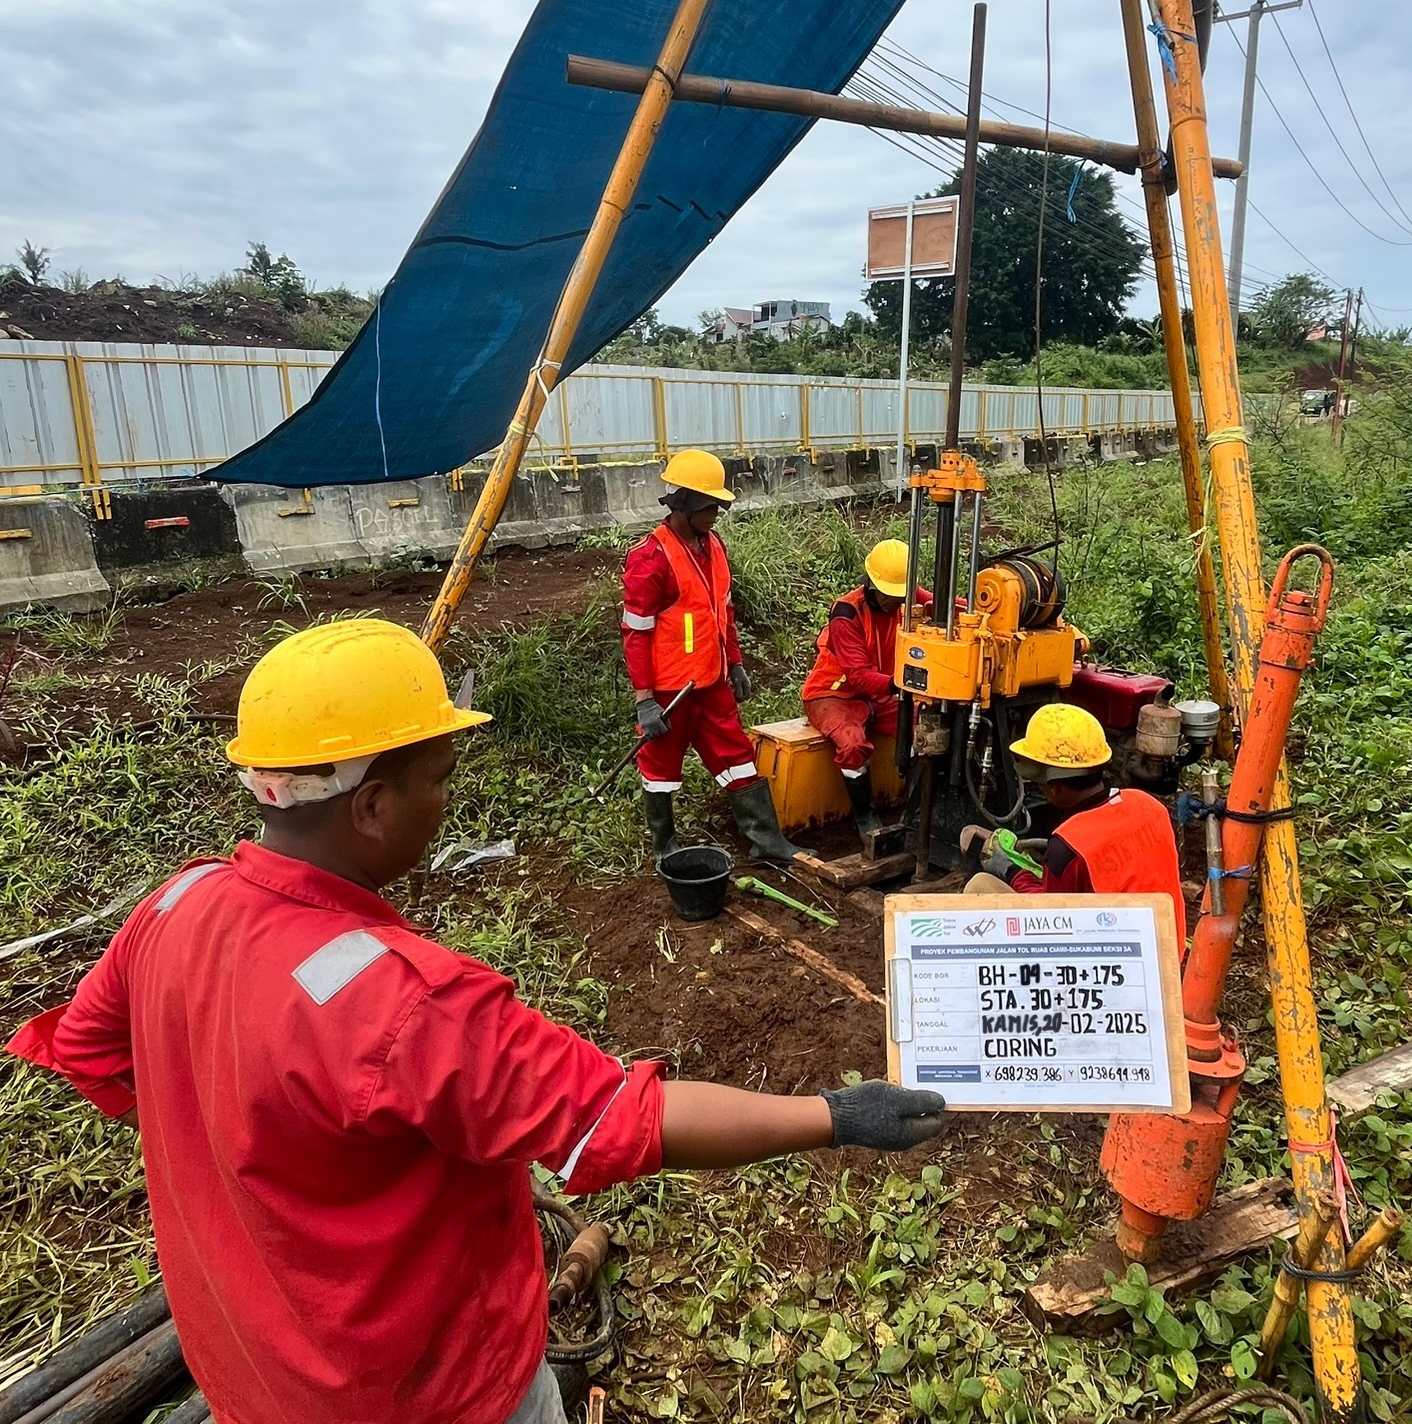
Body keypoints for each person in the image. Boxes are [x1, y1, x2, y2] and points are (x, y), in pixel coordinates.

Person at [7, 619, 947, 1424]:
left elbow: (91, 1051)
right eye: (441, 777)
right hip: (425, 1392)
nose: (449, 799)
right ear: (373, 805)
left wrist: (252, 1141)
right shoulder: (409, 1006)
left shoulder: (176, 904)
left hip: (249, 1371)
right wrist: (836, 1113)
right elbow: (623, 1122)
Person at [620, 448, 800, 867]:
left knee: (737, 757)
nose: (716, 513)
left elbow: (724, 611)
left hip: (713, 682)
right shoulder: (651, 558)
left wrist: (734, 662)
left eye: (718, 505)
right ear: (681, 503)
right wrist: (645, 700)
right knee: (660, 766)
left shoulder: (714, 545)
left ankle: (766, 841)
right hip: (671, 691)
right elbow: (636, 634)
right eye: (708, 505)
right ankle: (665, 847)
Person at [960, 701, 1187, 953]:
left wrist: (1011, 870)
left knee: (980, 886)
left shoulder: (1067, 848)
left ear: (1054, 786)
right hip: (1167, 954)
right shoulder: (1149, 805)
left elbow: (1052, 920)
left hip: (1111, 966)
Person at [801, 538, 923, 847]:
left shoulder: (906, 596)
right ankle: (865, 815)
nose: (897, 602)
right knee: (852, 744)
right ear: (871, 584)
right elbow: (856, 675)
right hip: (834, 693)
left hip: (881, 693)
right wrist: (898, 684)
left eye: (902, 595)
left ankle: (918, 811)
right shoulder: (847, 613)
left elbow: (946, 605)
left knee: (925, 730)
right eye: (891, 594)